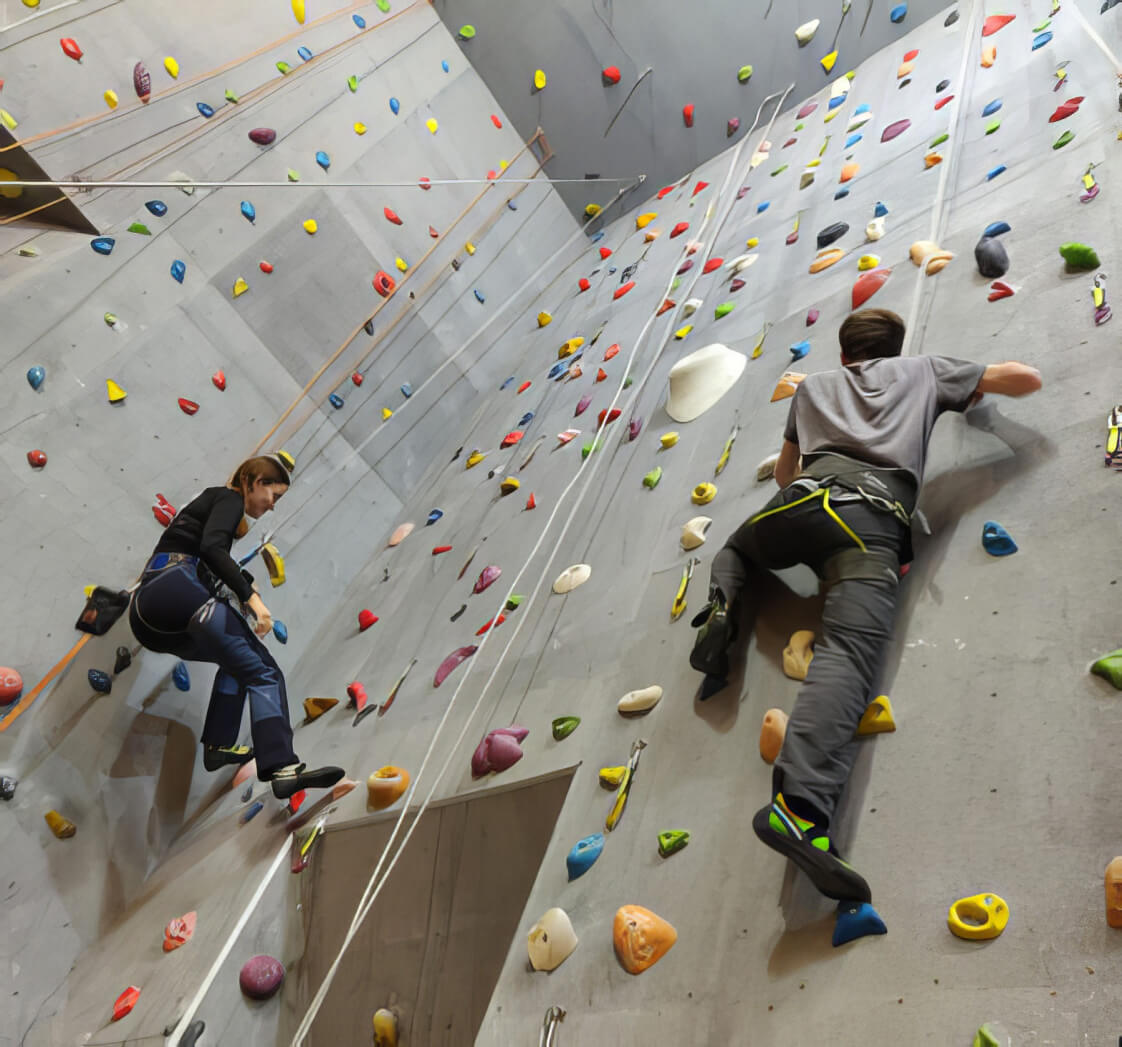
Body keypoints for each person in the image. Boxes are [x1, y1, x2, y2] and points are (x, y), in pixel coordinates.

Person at [689, 308, 1042, 902]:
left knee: (735, 547)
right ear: (896, 346)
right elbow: (1025, 377)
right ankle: (798, 811)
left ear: (844, 349)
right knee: (848, 654)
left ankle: (722, 611)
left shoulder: (813, 388)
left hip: (798, 503)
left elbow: (782, 473)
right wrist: (977, 393)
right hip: (866, 519)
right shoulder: (923, 370)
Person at [129, 453, 344, 800]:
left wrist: (243, 581)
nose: (272, 506)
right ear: (255, 482)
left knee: (239, 664)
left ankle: (219, 743)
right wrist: (253, 600)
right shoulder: (228, 498)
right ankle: (282, 768)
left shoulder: (210, 504)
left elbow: (207, 552)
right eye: (273, 495)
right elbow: (212, 548)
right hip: (174, 587)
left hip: (151, 616)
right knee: (264, 671)